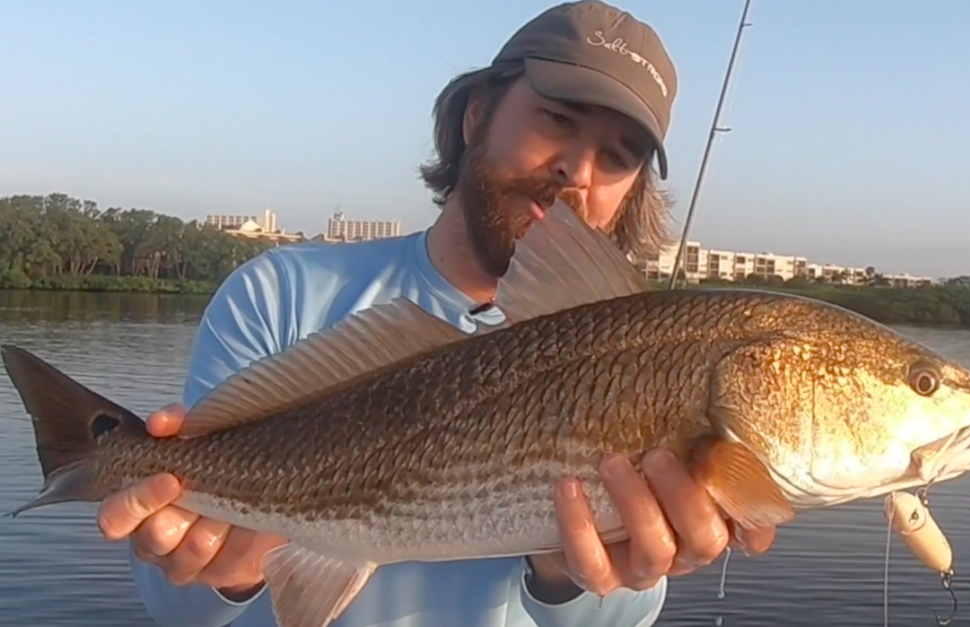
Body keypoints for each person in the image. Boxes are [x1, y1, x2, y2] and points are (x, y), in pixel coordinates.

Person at [97, 2, 777, 626]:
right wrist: (223, 575)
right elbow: (179, 608)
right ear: (476, 114)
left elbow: (622, 616)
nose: (578, 169)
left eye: (618, 155)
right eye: (559, 119)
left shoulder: (651, 360)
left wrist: (569, 575)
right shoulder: (276, 293)